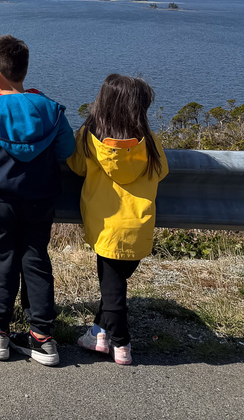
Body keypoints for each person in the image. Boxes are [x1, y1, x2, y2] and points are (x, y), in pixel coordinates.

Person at [0, 35, 74, 365]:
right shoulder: (51, 109)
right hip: (40, 199)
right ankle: (42, 337)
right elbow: (67, 151)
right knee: (35, 260)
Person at [67, 74, 168, 366]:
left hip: (106, 225)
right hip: (138, 226)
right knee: (114, 285)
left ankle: (121, 343)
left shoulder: (89, 139)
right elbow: (161, 172)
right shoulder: (149, 143)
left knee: (113, 293)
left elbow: (74, 166)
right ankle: (98, 334)